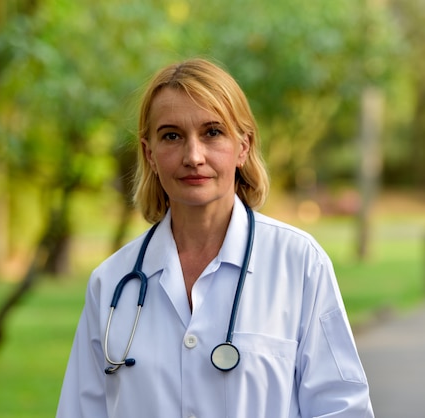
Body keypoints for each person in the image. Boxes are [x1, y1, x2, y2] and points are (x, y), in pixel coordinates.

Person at [56, 58, 374, 418]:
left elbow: (343, 410)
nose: (193, 156)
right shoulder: (111, 283)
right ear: (149, 153)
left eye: (212, 132)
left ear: (243, 146)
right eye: (172, 136)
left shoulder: (299, 264)